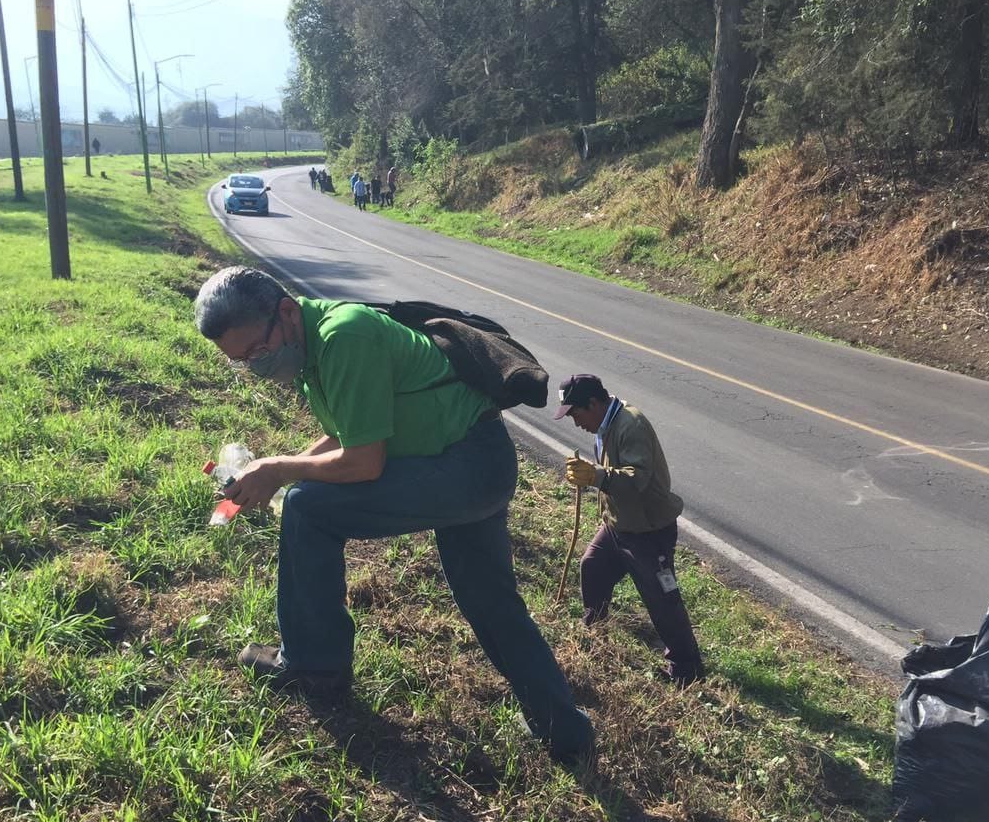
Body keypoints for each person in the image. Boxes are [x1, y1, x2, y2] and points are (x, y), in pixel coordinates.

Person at [193, 267, 595, 764]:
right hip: (471, 461)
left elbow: (364, 461)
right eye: (241, 362)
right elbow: (350, 429)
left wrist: (281, 470)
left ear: (287, 312)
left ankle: (315, 665)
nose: (256, 367)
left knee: (308, 509)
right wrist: (283, 468)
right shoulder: (313, 345)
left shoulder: (344, 336)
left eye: (257, 352)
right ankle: (566, 732)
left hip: (465, 465)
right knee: (490, 600)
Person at [556, 374, 705, 685]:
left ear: (593, 403)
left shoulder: (630, 424)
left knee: (662, 599)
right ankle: (596, 636)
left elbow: (636, 478)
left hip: (648, 531)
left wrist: (596, 476)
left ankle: (687, 670)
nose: (576, 423)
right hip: (617, 525)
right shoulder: (604, 425)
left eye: (576, 414)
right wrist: (587, 477)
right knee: (592, 567)